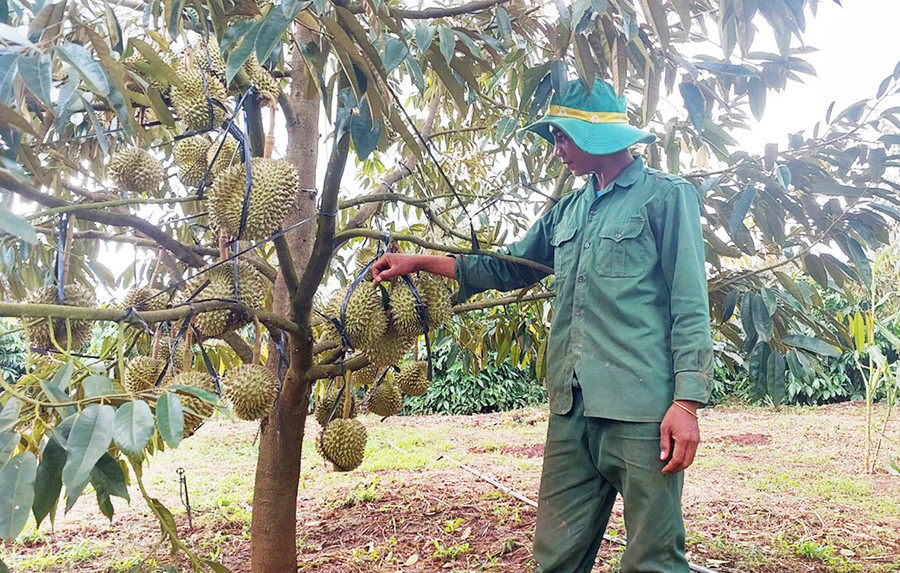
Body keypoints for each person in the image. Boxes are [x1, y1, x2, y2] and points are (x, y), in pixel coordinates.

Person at [371, 78, 713, 573]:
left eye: (563, 137)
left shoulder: (665, 198)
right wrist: (420, 262)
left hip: (641, 410)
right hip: (571, 408)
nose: (557, 151)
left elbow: (690, 302)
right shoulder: (567, 212)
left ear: (596, 136)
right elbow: (507, 267)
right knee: (555, 557)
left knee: (652, 560)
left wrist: (686, 403)